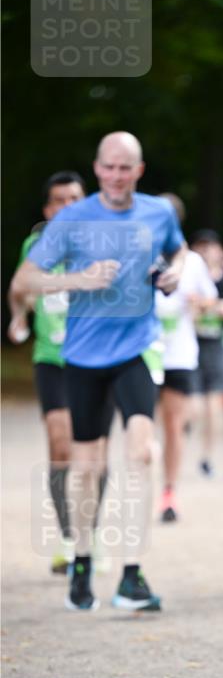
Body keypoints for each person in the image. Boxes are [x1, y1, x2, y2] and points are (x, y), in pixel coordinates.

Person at [11, 131, 188, 611]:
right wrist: (77, 279)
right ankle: (82, 562)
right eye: (108, 167)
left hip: (135, 351)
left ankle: (132, 576)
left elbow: (178, 251)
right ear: (97, 168)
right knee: (86, 465)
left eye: (125, 168)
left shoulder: (158, 212)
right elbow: (23, 281)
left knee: (141, 450)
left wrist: (171, 273)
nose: (116, 176)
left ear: (139, 170)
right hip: (83, 358)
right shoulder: (71, 219)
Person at [8, 171, 113, 573]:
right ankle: (70, 537)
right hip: (51, 359)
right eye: (60, 200)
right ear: (48, 209)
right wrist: (18, 316)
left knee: (96, 452)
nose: (68, 206)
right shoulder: (35, 246)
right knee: (60, 442)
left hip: (97, 360)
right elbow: (18, 289)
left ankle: (93, 534)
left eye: (75, 198)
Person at [154, 196, 219, 522]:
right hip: (142, 353)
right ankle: (145, 478)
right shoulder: (140, 252)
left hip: (179, 354)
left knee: (173, 425)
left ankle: (168, 493)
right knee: (139, 425)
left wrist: (199, 302)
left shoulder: (192, 261)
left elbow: (211, 298)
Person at [189, 231, 223, 476]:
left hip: (218, 347)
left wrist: (220, 307)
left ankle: (207, 456)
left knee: (214, 406)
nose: (206, 252)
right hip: (191, 346)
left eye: (210, 247)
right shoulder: (187, 279)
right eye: (201, 247)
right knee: (194, 406)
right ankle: (187, 438)